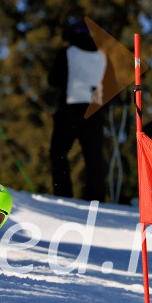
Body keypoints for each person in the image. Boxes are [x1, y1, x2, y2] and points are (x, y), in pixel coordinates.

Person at [48, 20, 107, 201]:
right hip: (96, 108)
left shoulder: (67, 52)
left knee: (58, 151)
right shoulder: (102, 55)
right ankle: (95, 197)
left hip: (71, 108)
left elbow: (53, 80)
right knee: (93, 155)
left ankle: (63, 194)